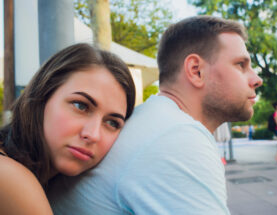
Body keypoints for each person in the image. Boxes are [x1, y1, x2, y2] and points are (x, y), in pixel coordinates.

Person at [48, 16, 262, 214]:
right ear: (196, 71)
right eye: (241, 65)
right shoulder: (178, 138)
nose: (256, 79)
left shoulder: (153, 119)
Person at [0, 43, 136, 214]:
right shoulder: (10, 177)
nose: (93, 135)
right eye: (80, 106)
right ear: (42, 96)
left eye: (112, 123)